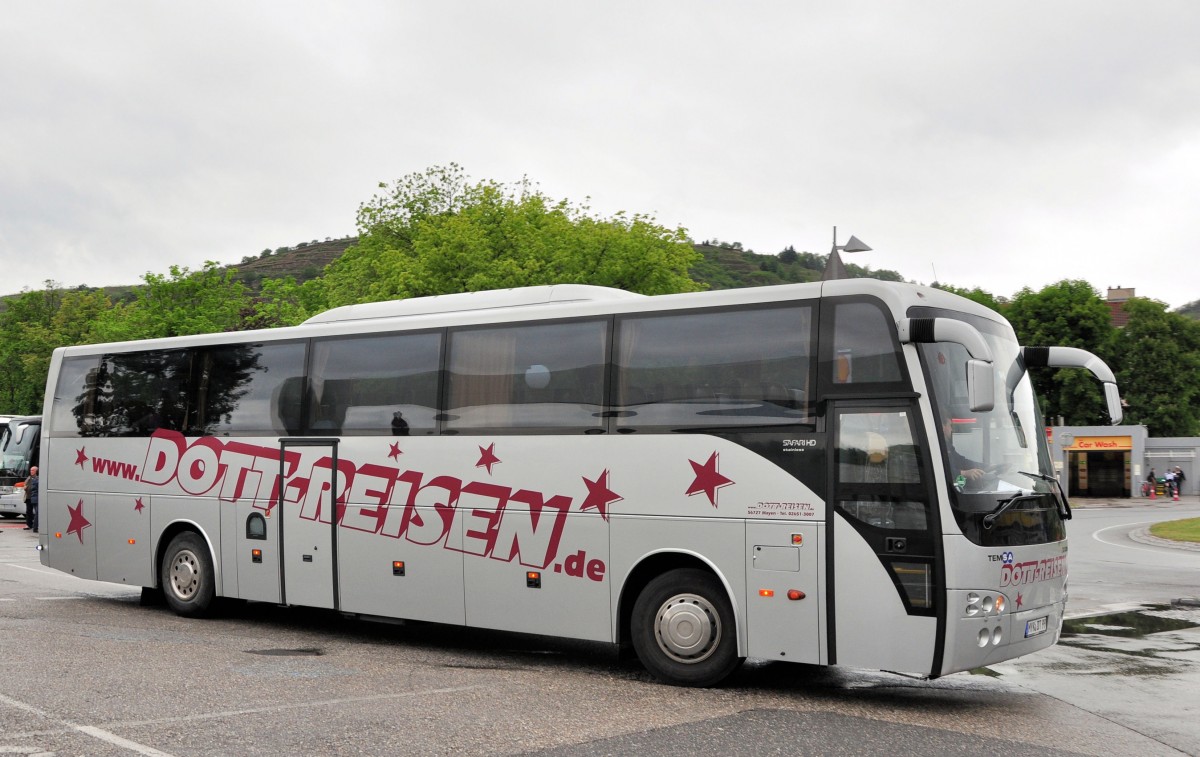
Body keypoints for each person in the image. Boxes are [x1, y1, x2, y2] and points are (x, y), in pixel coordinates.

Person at [23, 466, 39, 533]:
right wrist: (25, 487)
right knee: (28, 511)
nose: (31, 471)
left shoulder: (37, 478)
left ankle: (34, 526)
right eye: (30, 470)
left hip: (34, 497)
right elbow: (25, 485)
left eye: (32, 470)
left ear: (36, 471)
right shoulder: (28, 478)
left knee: (36, 512)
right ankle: (29, 524)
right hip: (28, 497)